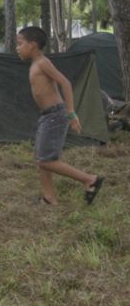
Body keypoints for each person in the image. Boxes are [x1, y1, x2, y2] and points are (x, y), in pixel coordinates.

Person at [15, 26, 104, 206]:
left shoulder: (42, 63)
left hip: (55, 115)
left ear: (32, 45)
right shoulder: (36, 63)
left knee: (46, 160)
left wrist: (71, 113)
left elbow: (66, 83)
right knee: (41, 157)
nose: (17, 48)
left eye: (19, 43)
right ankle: (49, 197)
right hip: (47, 115)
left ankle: (90, 179)